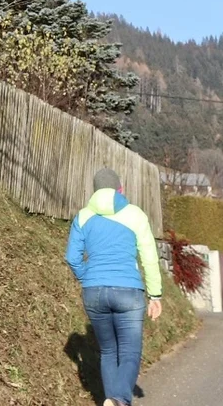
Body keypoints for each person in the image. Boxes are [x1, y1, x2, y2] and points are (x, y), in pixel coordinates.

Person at [65, 168, 163, 406]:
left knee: (108, 352)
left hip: (94, 293)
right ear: (120, 189)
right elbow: (149, 256)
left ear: (96, 191)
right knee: (129, 352)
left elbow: (72, 257)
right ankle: (118, 399)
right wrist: (155, 294)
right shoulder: (135, 214)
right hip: (128, 292)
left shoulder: (84, 216)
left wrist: (87, 277)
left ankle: (111, 401)